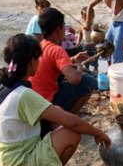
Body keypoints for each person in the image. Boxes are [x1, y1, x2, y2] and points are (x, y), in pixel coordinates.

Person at [0, 34, 111, 166]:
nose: (39, 62)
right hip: (21, 160)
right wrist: (98, 133)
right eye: (38, 59)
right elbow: (72, 122)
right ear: (31, 62)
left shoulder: (2, 82)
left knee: (58, 113)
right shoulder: (23, 95)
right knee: (71, 133)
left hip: (9, 156)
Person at [29, 7, 98, 135]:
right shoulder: (57, 49)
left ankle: (59, 119)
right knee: (89, 82)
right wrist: (78, 66)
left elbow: (51, 62)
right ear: (58, 29)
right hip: (47, 103)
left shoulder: (40, 45)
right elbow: (75, 79)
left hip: (34, 102)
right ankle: (63, 121)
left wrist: (71, 59)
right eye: (63, 27)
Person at [77, 6, 98, 71]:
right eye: (85, 17)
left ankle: (95, 69)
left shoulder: (95, 25)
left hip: (93, 45)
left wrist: (90, 30)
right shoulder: (81, 25)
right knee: (86, 59)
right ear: (82, 17)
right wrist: (78, 41)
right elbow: (80, 34)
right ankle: (87, 69)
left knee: (95, 59)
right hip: (85, 45)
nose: (87, 19)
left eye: (89, 17)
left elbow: (98, 35)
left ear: (93, 16)